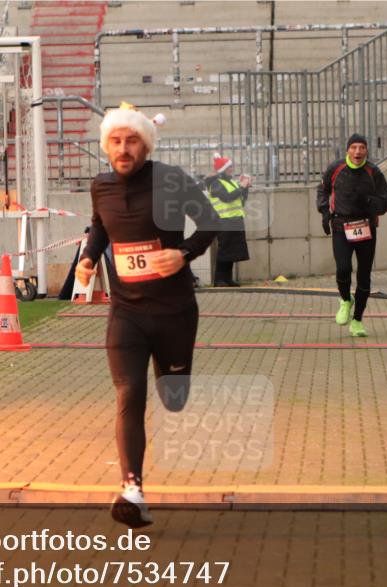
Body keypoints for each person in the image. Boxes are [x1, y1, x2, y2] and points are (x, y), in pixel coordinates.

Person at [75, 102, 218, 528]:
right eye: (116, 141)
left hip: (174, 311)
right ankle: (132, 489)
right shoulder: (100, 186)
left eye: (132, 141)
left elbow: (212, 221)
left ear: (145, 145)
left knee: (172, 396)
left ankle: (173, 377)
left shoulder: (172, 179)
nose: (123, 149)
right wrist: (88, 257)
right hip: (126, 313)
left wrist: (184, 253)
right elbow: (100, 226)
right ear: (106, 146)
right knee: (128, 394)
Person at [315, 133, 387, 337]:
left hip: (366, 227)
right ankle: (345, 300)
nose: (358, 152)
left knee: (364, 276)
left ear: (367, 150)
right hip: (341, 226)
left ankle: (357, 320)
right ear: (348, 149)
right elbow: (322, 190)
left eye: (362, 148)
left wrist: (369, 202)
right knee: (343, 268)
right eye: (354, 147)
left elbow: (385, 201)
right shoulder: (336, 168)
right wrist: (324, 213)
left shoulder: (373, 172)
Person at [204, 154, 251, 286]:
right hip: (223, 221)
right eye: (229, 166)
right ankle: (219, 280)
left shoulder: (231, 181)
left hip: (235, 220)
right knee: (224, 249)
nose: (232, 168)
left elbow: (241, 201)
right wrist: (241, 187)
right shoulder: (215, 183)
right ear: (223, 168)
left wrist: (245, 187)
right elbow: (226, 197)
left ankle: (228, 279)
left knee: (233, 250)